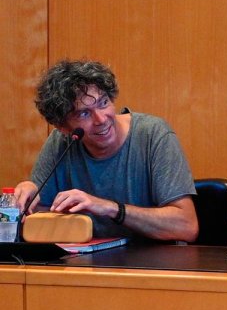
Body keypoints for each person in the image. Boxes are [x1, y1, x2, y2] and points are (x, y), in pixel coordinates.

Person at [15, 60, 198, 242]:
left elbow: (186, 226)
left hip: (153, 266)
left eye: (103, 103)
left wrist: (110, 208)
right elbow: (35, 223)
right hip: (87, 265)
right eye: (84, 113)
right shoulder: (60, 142)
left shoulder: (153, 134)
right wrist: (27, 204)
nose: (101, 119)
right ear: (63, 127)